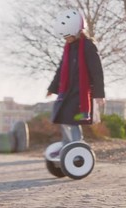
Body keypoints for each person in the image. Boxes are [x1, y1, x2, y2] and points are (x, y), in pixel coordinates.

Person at [46, 9, 105, 155]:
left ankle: (77, 148)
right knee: (63, 117)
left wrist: (99, 94)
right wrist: (52, 88)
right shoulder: (68, 48)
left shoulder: (88, 46)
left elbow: (97, 71)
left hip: (81, 94)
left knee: (72, 119)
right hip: (67, 91)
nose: (66, 39)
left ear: (77, 31)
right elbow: (61, 69)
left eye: (68, 36)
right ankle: (68, 146)